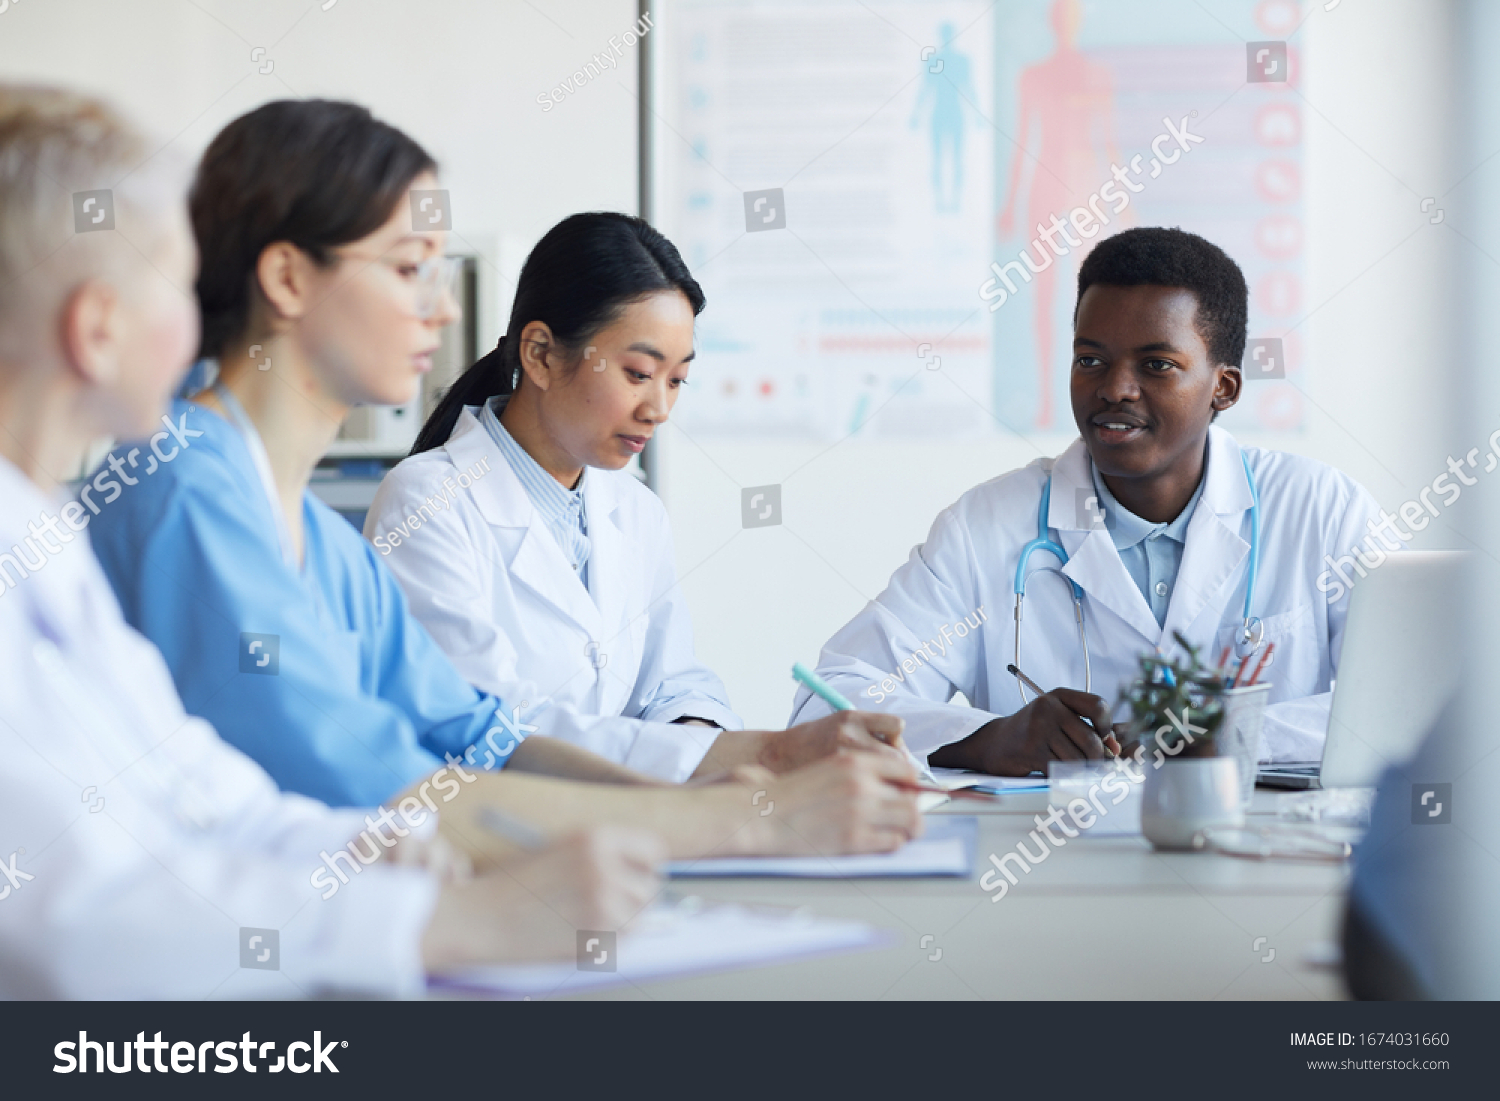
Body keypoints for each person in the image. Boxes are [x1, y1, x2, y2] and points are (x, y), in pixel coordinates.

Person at [86, 98, 922, 858]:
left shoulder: (311, 537)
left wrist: (755, 765)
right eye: (410, 267)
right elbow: (367, 781)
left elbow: (476, 733)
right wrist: (729, 820)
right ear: (289, 278)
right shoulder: (185, 487)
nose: (444, 309)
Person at [0, 84, 670, 997]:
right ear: (96, 326)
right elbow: (78, 916)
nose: (439, 311)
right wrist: (441, 912)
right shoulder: (173, 483)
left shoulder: (63, 541)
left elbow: (222, 803)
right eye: (172, 280)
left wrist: (385, 857)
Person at [792, 227, 1385, 774]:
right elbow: (828, 704)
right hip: (1044, 868)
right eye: (1090, 359)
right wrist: (987, 737)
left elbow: (1419, 704)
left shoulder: (1320, 511)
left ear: (1222, 388)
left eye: (1156, 365)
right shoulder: (988, 527)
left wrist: (1228, 733)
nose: (1114, 388)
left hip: (1262, 868)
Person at [369, 212, 901, 783]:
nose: (659, 409)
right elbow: (492, 732)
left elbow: (673, 683)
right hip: (490, 842)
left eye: (676, 380)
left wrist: (701, 745)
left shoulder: (633, 508)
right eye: (639, 373)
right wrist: (750, 755)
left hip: (627, 826)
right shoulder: (426, 503)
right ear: (541, 354)